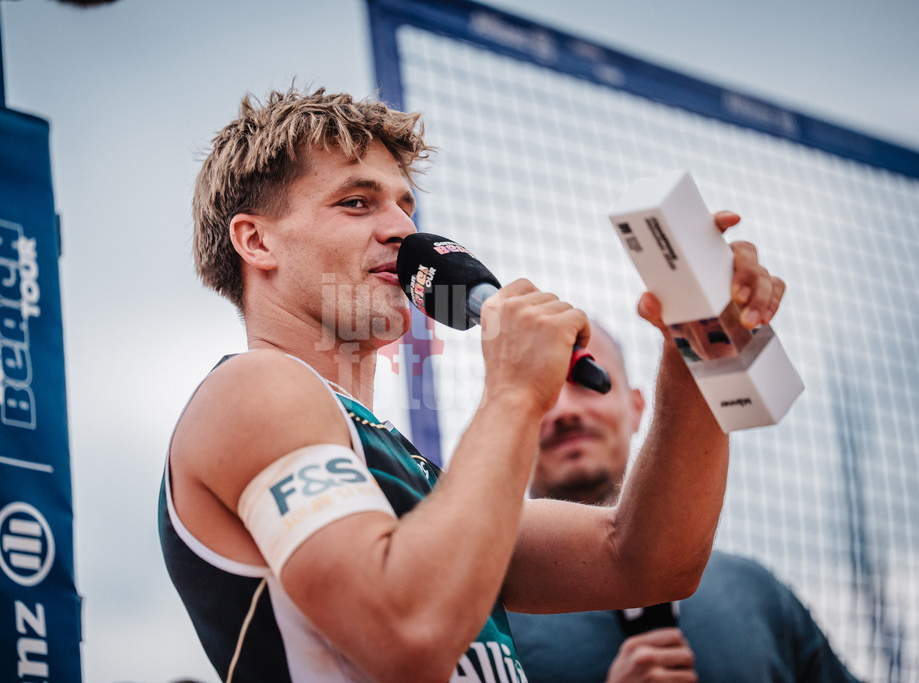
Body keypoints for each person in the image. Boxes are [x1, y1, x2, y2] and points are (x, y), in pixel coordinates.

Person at [158, 86, 786, 683]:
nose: (403, 229)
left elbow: (647, 560)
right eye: (356, 202)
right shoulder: (255, 389)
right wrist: (513, 393)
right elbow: (408, 632)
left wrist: (694, 342)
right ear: (256, 240)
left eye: (406, 205)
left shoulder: (409, 471)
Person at [506, 324, 860, 683]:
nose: (564, 410)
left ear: (636, 407)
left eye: (587, 379)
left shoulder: (757, 595)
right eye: (543, 394)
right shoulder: (488, 611)